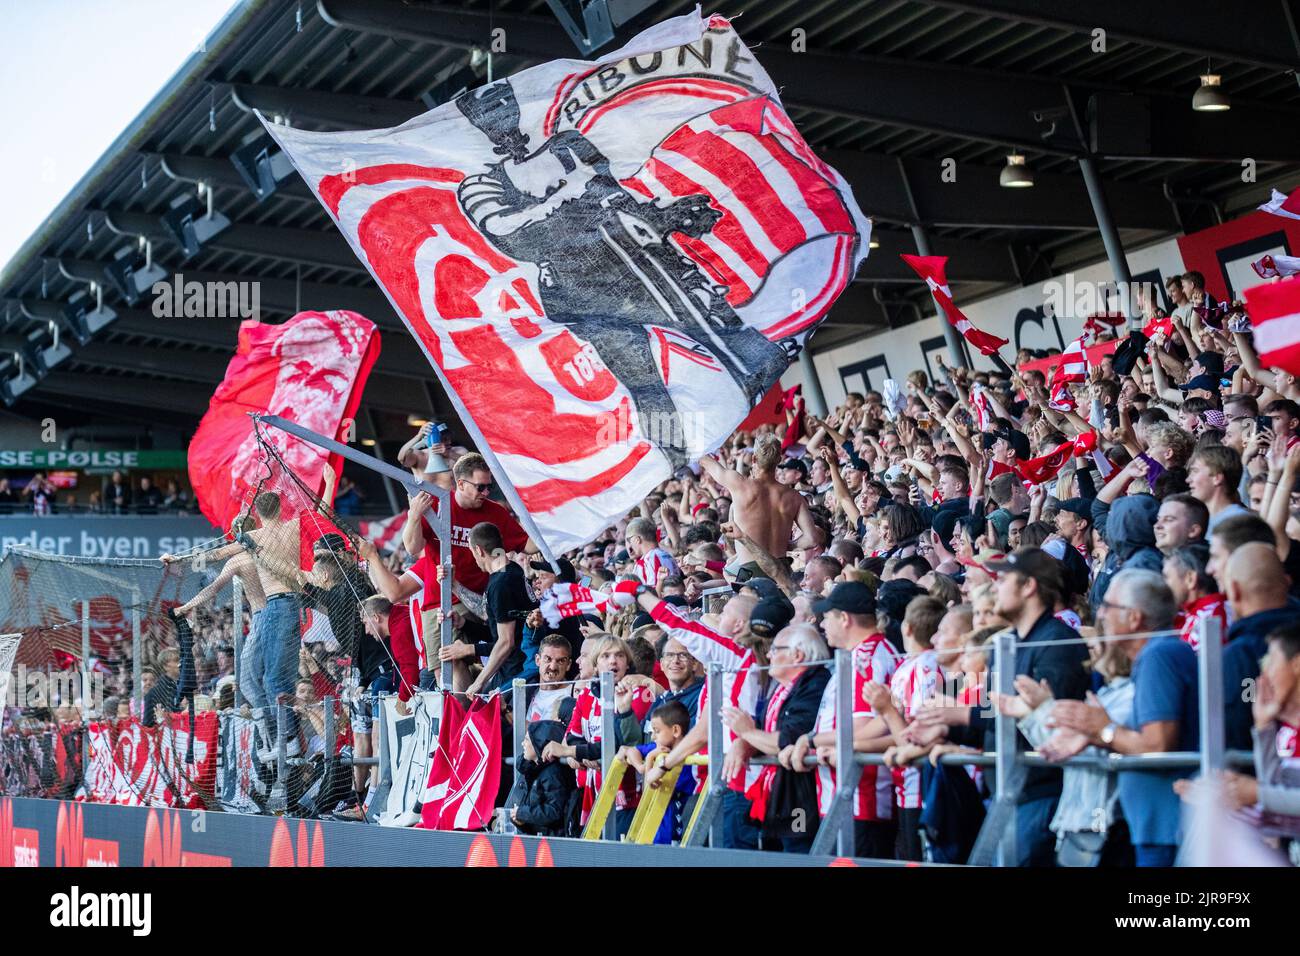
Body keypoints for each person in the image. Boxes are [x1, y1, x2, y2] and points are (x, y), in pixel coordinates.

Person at [915, 547, 1090, 866]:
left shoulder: (1059, 642)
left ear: (1029, 587)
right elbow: (991, 720)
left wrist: (960, 713)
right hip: (1007, 792)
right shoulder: (1005, 646)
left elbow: (1053, 719)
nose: (995, 587)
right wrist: (946, 727)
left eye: (1004, 579)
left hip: (1042, 793)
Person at [1050, 569, 1197, 867]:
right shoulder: (1159, 654)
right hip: (1157, 824)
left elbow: (1157, 747)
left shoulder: (1159, 656)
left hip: (1167, 827)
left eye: (1109, 606)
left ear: (1134, 618)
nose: (1100, 613)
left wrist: (1102, 730)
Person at [637, 588, 764, 850]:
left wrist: (639, 591)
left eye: (725, 612)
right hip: (727, 781)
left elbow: (682, 627)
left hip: (742, 783)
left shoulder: (737, 656)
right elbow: (705, 728)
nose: (717, 617)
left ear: (739, 624)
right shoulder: (728, 668)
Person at [785, 581, 899, 859]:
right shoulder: (863, 655)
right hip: (846, 796)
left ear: (845, 619)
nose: (822, 625)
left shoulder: (868, 659)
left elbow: (861, 729)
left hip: (862, 799)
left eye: (827, 617)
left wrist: (809, 739)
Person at [724, 623, 830, 852]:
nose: (769, 654)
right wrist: (744, 743)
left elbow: (787, 740)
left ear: (797, 655)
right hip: (782, 794)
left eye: (775, 649)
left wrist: (747, 733)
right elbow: (765, 733)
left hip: (802, 796)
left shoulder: (815, 685)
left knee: (797, 854)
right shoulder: (783, 688)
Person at [401, 452, 537, 624]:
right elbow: (412, 548)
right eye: (480, 487)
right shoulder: (435, 504)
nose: (486, 492)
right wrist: (413, 515)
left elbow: (526, 545)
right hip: (440, 601)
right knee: (441, 652)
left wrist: (551, 529)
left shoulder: (496, 512)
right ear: (461, 484)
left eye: (490, 487)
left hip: (477, 603)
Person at [1220, 543, 1300, 751]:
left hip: (1260, 775)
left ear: (1235, 591)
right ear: (1287, 582)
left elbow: (1238, 721)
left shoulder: (1240, 655)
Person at [620, 700, 694, 844]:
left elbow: (650, 785)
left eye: (657, 731)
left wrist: (649, 759)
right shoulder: (659, 747)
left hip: (675, 829)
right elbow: (631, 750)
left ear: (676, 731)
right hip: (657, 827)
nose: (653, 736)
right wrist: (641, 766)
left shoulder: (687, 759)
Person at [511, 719, 578, 837]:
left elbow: (554, 812)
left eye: (527, 739)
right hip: (541, 842)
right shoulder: (534, 770)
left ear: (538, 743)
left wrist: (523, 813)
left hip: (554, 845)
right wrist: (521, 820)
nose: (523, 743)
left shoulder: (553, 773)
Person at [1162, 547, 1227, 652]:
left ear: (1190, 579)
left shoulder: (1210, 616)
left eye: (1166, 577)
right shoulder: (1186, 614)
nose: (1163, 585)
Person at [625, 516, 679, 589]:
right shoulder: (662, 554)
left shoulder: (652, 558)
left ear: (637, 539)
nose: (629, 545)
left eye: (629, 540)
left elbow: (654, 594)